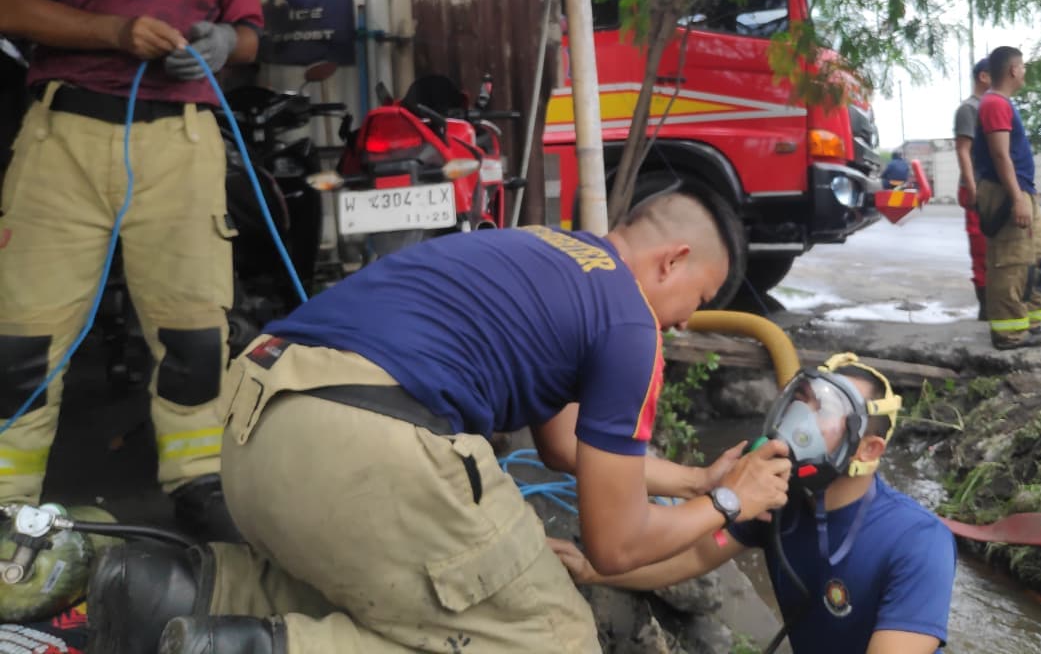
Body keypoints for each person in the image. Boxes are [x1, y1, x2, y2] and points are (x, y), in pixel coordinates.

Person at [88, 191, 795, 654]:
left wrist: (700, 476)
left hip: (258, 428)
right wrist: (733, 502)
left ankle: (163, 590)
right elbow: (615, 547)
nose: (676, 326)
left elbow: (561, 445)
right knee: (551, 637)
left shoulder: (547, 253)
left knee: (385, 594)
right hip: (362, 440)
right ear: (672, 260)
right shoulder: (627, 320)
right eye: (691, 300)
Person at [0, 0, 262, 536]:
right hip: (66, 133)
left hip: (181, 142)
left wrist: (223, 43)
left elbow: (252, 36)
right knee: (22, 332)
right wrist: (114, 32)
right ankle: (10, 499)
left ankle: (197, 481)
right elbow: (11, 6)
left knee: (193, 329)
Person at [550, 354, 958, 654]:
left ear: (868, 449)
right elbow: (697, 554)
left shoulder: (918, 541)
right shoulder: (777, 501)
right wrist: (596, 571)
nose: (800, 419)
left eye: (824, 413)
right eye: (802, 401)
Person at [970, 46, 1041, 350]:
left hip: (1021, 191)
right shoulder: (994, 104)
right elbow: (1000, 155)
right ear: (1013, 70)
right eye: (1023, 67)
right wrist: (1017, 198)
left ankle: (1028, 323)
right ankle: (1009, 334)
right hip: (1007, 192)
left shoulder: (1001, 103)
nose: (1025, 72)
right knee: (1011, 263)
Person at [953, 57, 992, 319]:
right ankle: (986, 308)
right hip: (976, 185)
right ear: (984, 77)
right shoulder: (969, 108)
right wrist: (972, 185)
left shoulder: (994, 105)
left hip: (993, 185)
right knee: (980, 247)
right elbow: (963, 150)